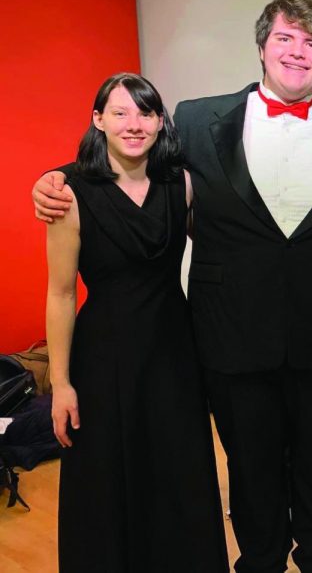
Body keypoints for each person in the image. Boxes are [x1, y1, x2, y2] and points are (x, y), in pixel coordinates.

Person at [34, 0, 312, 573]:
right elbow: (127, 163)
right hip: (231, 335)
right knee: (250, 466)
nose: (298, 53)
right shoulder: (197, 121)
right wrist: (51, 179)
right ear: (262, 47)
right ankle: (261, 560)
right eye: (286, 39)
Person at [46, 73, 228, 572]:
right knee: (106, 479)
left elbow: (223, 250)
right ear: (98, 119)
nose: (134, 124)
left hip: (173, 350)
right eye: (120, 112)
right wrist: (60, 384)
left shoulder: (182, 184)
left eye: (145, 112)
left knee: (178, 475)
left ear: (159, 121)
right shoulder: (69, 194)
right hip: (104, 356)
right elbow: (61, 294)